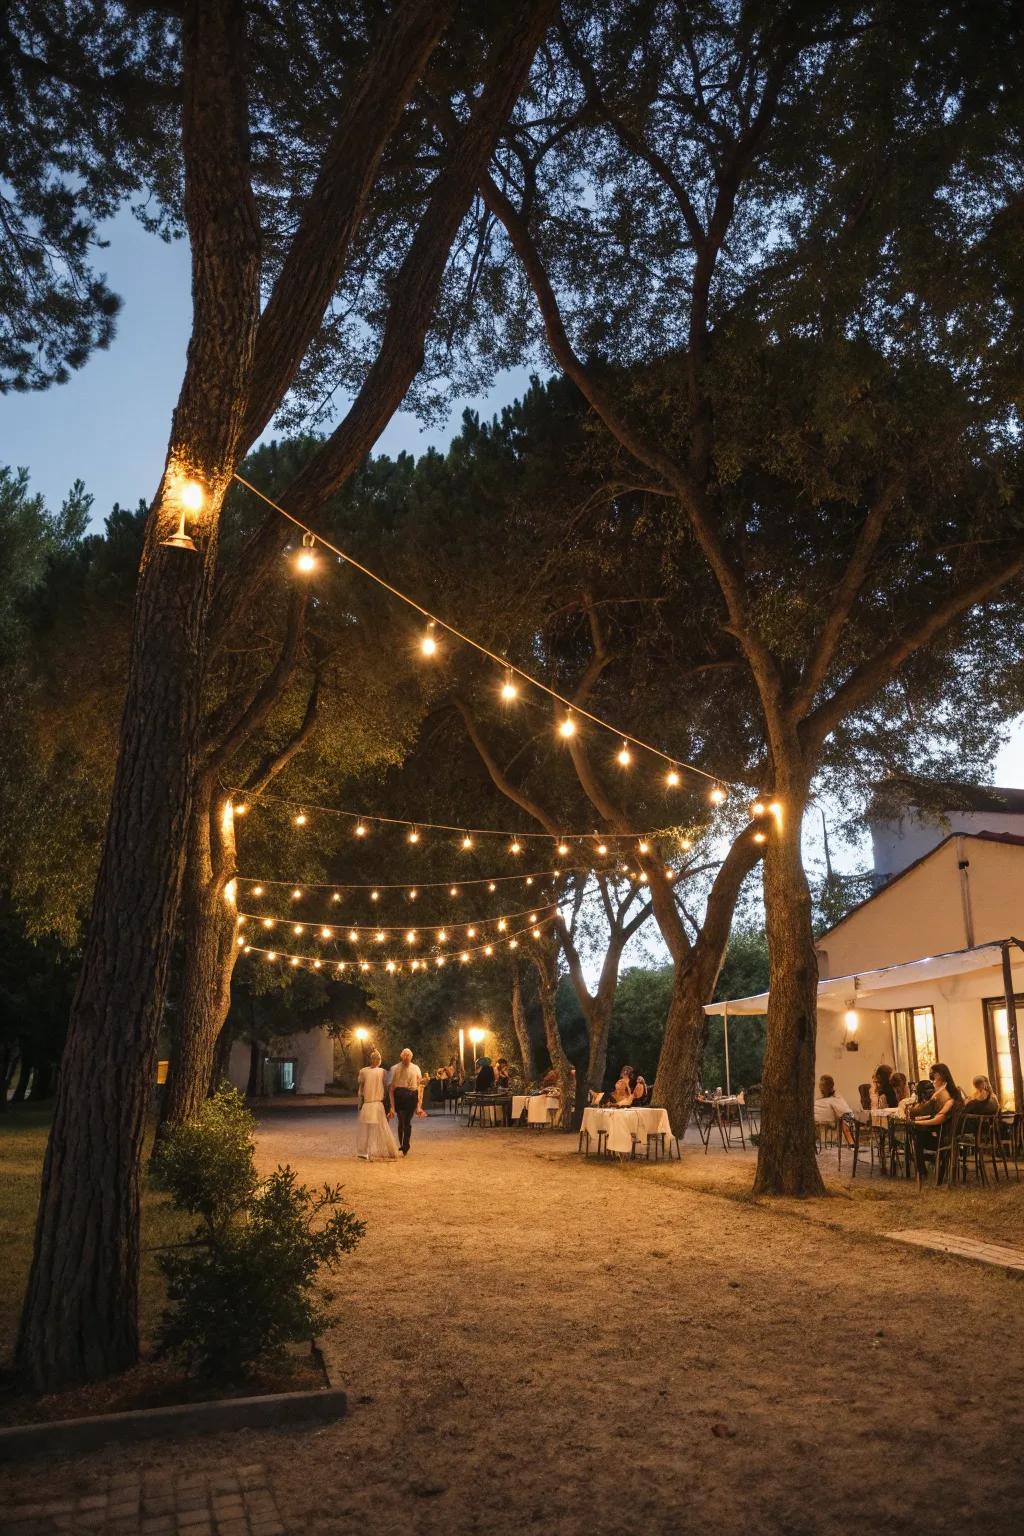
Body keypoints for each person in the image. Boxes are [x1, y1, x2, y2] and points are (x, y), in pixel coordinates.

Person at [356, 1050, 398, 1162]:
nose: (376, 1060)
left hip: (377, 1103)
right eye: (374, 1058)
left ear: (380, 1060)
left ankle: (376, 1150)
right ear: (371, 1059)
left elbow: (389, 1086)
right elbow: (361, 1088)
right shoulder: (363, 1071)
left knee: (379, 1127)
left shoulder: (382, 1072)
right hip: (368, 1103)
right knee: (366, 1129)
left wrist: (390, 1106)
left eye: (378, 1059)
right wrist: (361, 1102)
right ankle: (364, 1151)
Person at [388, 1048, 423, 1156]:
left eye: (408, 1055)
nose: (406, 1057)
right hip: (400, 1096)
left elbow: (420, 1087)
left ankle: (405, 1145)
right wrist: (392, 1107)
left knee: (406, 1122)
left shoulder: (416, 1068)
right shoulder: (394, 1068)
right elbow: (391, 1089)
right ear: (401, 1056)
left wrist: (419, 1106)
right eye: (405, 1055)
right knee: (402, 1121)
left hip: (412, 1096)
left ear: (411, 1057)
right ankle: (404, 1145)